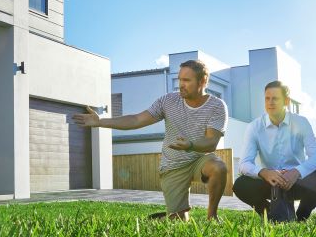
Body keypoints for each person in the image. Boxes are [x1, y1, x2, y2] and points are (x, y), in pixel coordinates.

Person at [74, 60, 228, 221]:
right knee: (179, 221)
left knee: (218, 167)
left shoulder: (217, 106)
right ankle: (163, 218)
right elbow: (136, 120)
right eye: (180, 79)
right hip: (173, 166)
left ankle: (212, 217)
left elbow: (211, 142)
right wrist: (100, 122)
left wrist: (190, 145)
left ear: (203, 81)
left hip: (199, 159)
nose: (181, 84)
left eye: (187, 80)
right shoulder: (168, 101)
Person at [233, 80, 316, 222]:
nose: (270, 102)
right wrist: (264, 172)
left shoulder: (301, 122)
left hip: (297, 181)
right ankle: (268, 213)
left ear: (286, 101)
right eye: (267, 98)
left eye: (275, 98)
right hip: (269, 181)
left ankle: (302, 216)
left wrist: (296, 172)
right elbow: (244, 164)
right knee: (241, 184)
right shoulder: (254, 127)